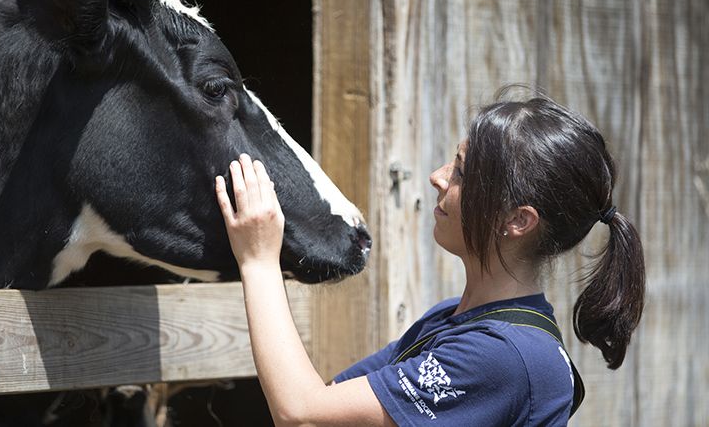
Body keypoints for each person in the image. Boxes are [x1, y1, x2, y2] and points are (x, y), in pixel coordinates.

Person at [214, 92, 645, 426]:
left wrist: (258, 260)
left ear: (518, 220)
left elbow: (301, 411)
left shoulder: (505, 356)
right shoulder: (452, 322)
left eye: (460, 172)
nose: (437, 177)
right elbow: (320, 412)